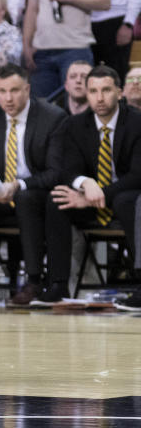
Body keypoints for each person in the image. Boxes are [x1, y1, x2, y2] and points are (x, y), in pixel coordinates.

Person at [0, 63, 66, 306]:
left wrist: (19, 185)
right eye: (2, 91)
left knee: (27, 199)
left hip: (34, 193)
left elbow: (55, 173)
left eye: (14, 90)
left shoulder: (52, 117)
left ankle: (34, 280)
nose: (8, 98)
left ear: (27, 89)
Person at [43, 66, 141, 305]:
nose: (99, 98)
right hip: (91, 197)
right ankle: (58, 284)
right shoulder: (75, 125)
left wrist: (98, 195)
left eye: (106, 90)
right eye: (93, 91)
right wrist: (85, 184)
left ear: (119, 92)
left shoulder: (137, 122)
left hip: (125, 196)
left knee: (127, 201)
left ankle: (139, 283)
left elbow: (138, 175)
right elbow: (69, 170)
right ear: (85, 94)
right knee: (57, 200)